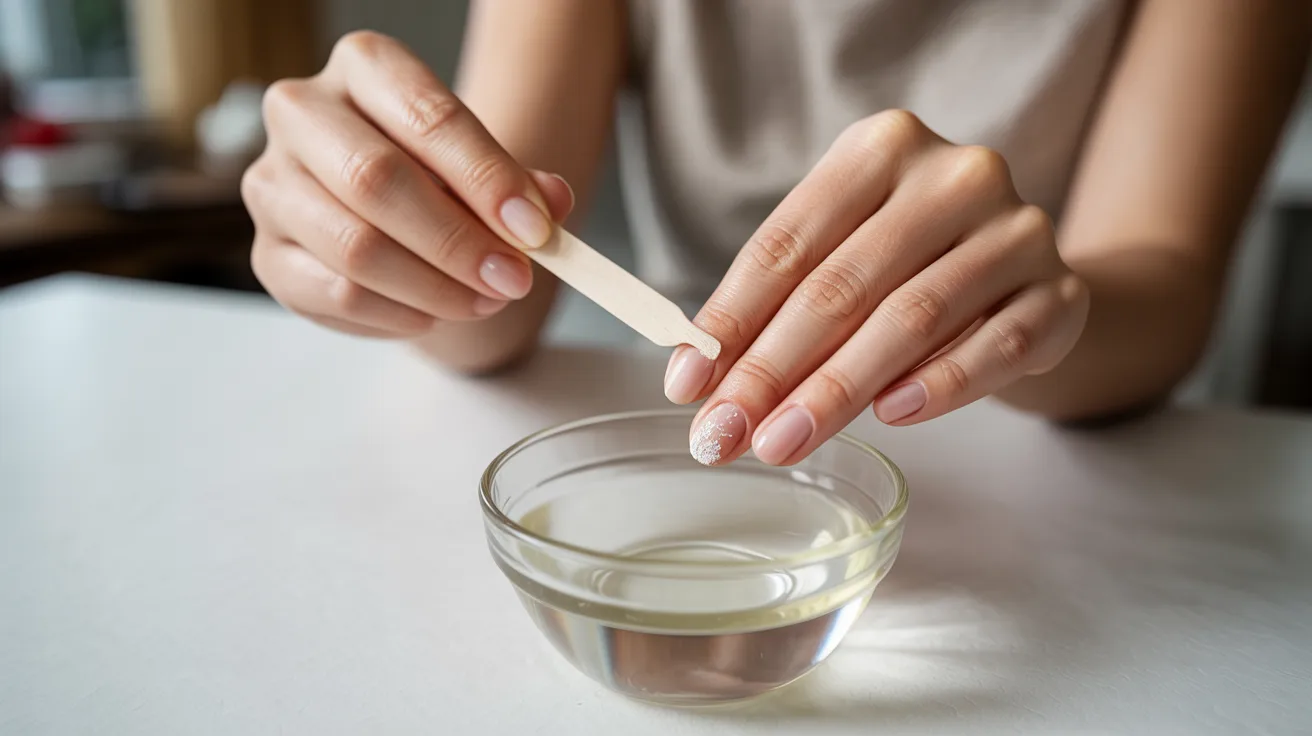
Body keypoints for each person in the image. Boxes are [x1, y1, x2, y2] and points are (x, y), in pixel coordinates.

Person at [241, 0, 1310, 466]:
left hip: (1082, 489)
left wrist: (1033, 315)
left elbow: (1164, 289)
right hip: (674, 431)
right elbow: (493, 306)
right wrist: (389, 236)